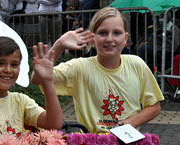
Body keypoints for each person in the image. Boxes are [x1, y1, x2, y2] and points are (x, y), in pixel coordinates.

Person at [32, 7, 163, 133]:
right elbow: (38, 78)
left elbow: (154, 106)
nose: (110, 39)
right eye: (103, 33)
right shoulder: (79, 68)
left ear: (125, 38)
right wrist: (59, 45)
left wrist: (128, 123)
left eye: (116, 33)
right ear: (92, 38)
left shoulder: (137, 64)